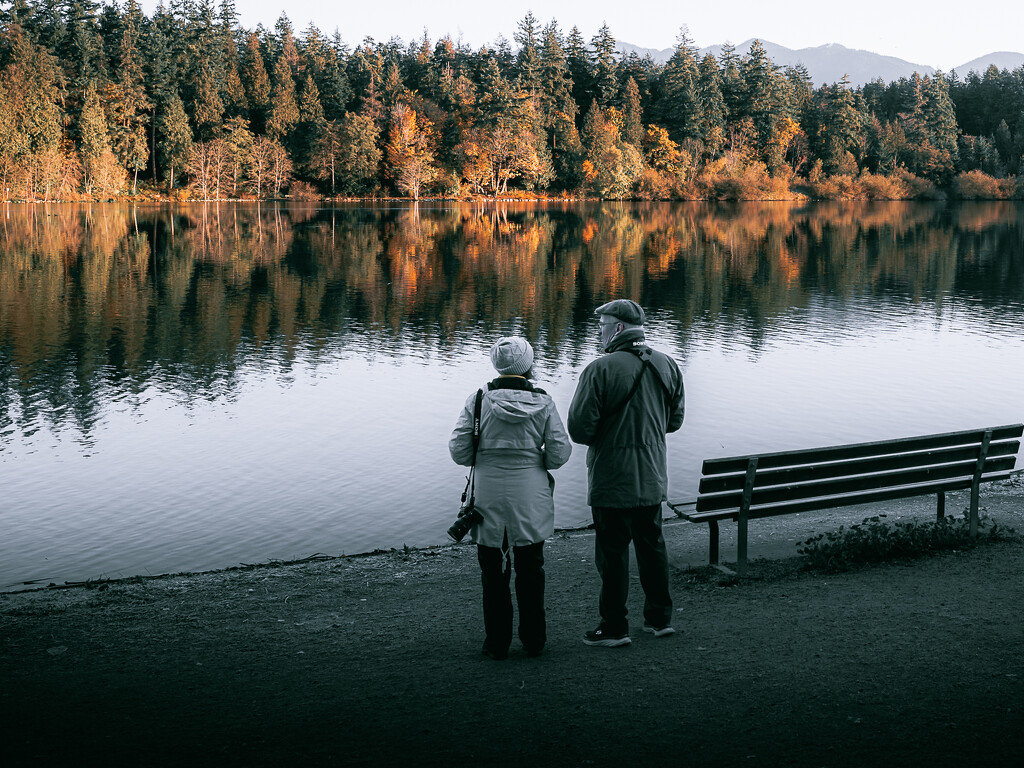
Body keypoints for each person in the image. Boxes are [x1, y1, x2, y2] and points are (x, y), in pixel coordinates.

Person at [567, 299, 685, 647]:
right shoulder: (668, 364)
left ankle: (614, 627)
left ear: (617, 329)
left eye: (602, 325)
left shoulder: (599, 370)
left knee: (613, 553)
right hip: (651, 475)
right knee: (653, 548)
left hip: (611, 478)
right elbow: (674, 421)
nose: (599, 332)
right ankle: (659, 620)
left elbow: (580, 431)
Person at [449, 336, 572, 660]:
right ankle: (534, 640)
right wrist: (534, 461)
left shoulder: (478, 400)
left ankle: (497, 643)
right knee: (531, 568)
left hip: (488, 493)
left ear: (496, 365)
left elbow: (459, 452)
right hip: (530, 493)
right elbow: (559, 453)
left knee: (492, 571)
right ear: (528, 366)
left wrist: (487, 454)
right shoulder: (543, 402)